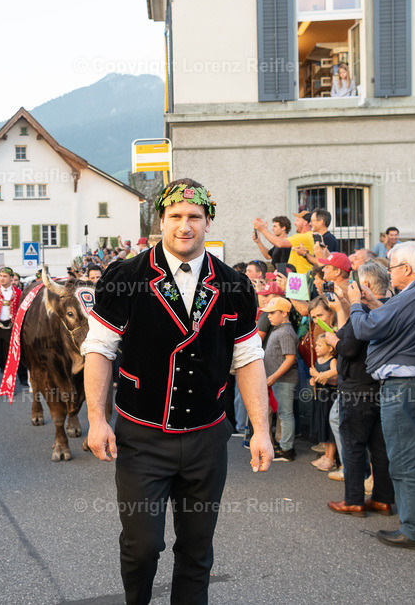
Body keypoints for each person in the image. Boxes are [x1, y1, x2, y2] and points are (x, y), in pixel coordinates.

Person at [82, 178, 272, 605]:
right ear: (160, 222)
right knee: (142, 546)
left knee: (197, 549)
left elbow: (248, 358)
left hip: (208, 437)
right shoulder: (126, 276)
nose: (184, 226)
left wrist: (260, 429)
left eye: (194, 218)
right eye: (175, 217)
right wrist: (96, 419)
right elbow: (98, 349)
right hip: (143, 437)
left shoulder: (234, 285)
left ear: (208, 222)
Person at [349, 241, 415, 552]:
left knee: (406, 463)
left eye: (392, 267)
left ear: (407, 269)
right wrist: (376, 304)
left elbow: (365, 329)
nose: (389, 274)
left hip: (405, 388)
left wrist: (356, 303)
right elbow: (399, 320)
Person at [326, 260, 394, 518]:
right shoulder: (390, 306)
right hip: (381, 387)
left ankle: (354, 500)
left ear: (365, 285)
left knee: (353, 445)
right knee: (380, 447)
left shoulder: (363, 309)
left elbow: (350, 347)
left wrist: (335, 341)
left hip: (356, 389)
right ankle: (383, 499)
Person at [260, 296, 299, 462]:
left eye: (272, 313)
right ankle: (284, 445)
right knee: (283, 413)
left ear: (284, 313)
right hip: (278, 380)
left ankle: (287, 448)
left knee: (285, 414)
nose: (268, 316)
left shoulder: (285, 332)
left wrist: (274, 376)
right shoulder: (279, 329)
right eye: (268, 313)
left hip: (283, 380)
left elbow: (290, 358)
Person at [308, 327, 338, 472]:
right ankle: (326, 455)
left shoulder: (333, 362)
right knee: (323, 425)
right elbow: (316, 379)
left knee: (329, 427)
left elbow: (335, 380)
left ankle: (331, 458)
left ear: (330, 348)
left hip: (330, 397)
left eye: (319, 345)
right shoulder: (318, 360)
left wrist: (318, 374)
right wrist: (313, 380)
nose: (316, 348)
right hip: (320, 397)